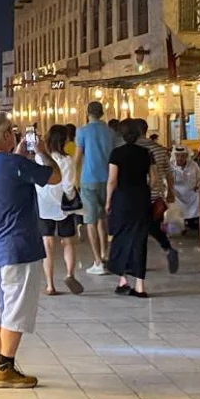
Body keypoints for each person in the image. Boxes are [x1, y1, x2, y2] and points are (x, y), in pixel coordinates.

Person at [0, 111, 60, 389]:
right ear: (8, 135)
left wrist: (18, 155)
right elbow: (54, 177)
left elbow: (6, 171)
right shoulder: (15, 164)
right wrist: (43, 152)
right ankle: (5, 368)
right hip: (19, 247)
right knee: (17, 309)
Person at [108, 119, 156, 296]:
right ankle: (140, 286)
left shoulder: (116, 153)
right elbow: (154, 179)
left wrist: (108, 201)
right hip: (141, 197)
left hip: (122, 198)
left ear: (121, 134)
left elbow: (112, 180)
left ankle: (123, 280)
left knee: (121, 238)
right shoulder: (146, 153)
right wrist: (145, 191)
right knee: (140, 240)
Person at [36, 124, 83, 295]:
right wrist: (70, 199)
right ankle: (70, 274)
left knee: (47, 243)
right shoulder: (67, 160)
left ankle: (49, 285)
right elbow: (69, 186)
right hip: (63, 207)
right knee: (68, 242)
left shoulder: (40, 159)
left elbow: (38, 183)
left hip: (44, 206)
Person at [135, 118, 179, 273]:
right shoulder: (159, 149)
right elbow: (169, 174)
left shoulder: (134, 149)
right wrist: (171, 192)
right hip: (158, 196)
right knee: (154, 226)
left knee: (139, 230)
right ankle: (167, 249)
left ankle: (140, 263)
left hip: (139, 195)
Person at [75, 102, 113, 275]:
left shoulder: (82, 131)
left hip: (88, 179)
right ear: (102, 113)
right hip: (107, 179)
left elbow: (77, 157)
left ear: (87, 113)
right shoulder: (110, 132)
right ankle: (105, 255)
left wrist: (73, 179)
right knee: (103, 219)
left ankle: (97, 261)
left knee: (90, 221)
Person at [170, 146, 200, 231]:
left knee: (198, 196)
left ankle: (193, 221)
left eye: (183, 156)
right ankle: (179, 223)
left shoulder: (193, 165)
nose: (180, 158)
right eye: (178, 156)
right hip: (176, 192)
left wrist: (198, 186)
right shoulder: (170, 165)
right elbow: (165, 180)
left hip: (191, 191)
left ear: (186, 156)